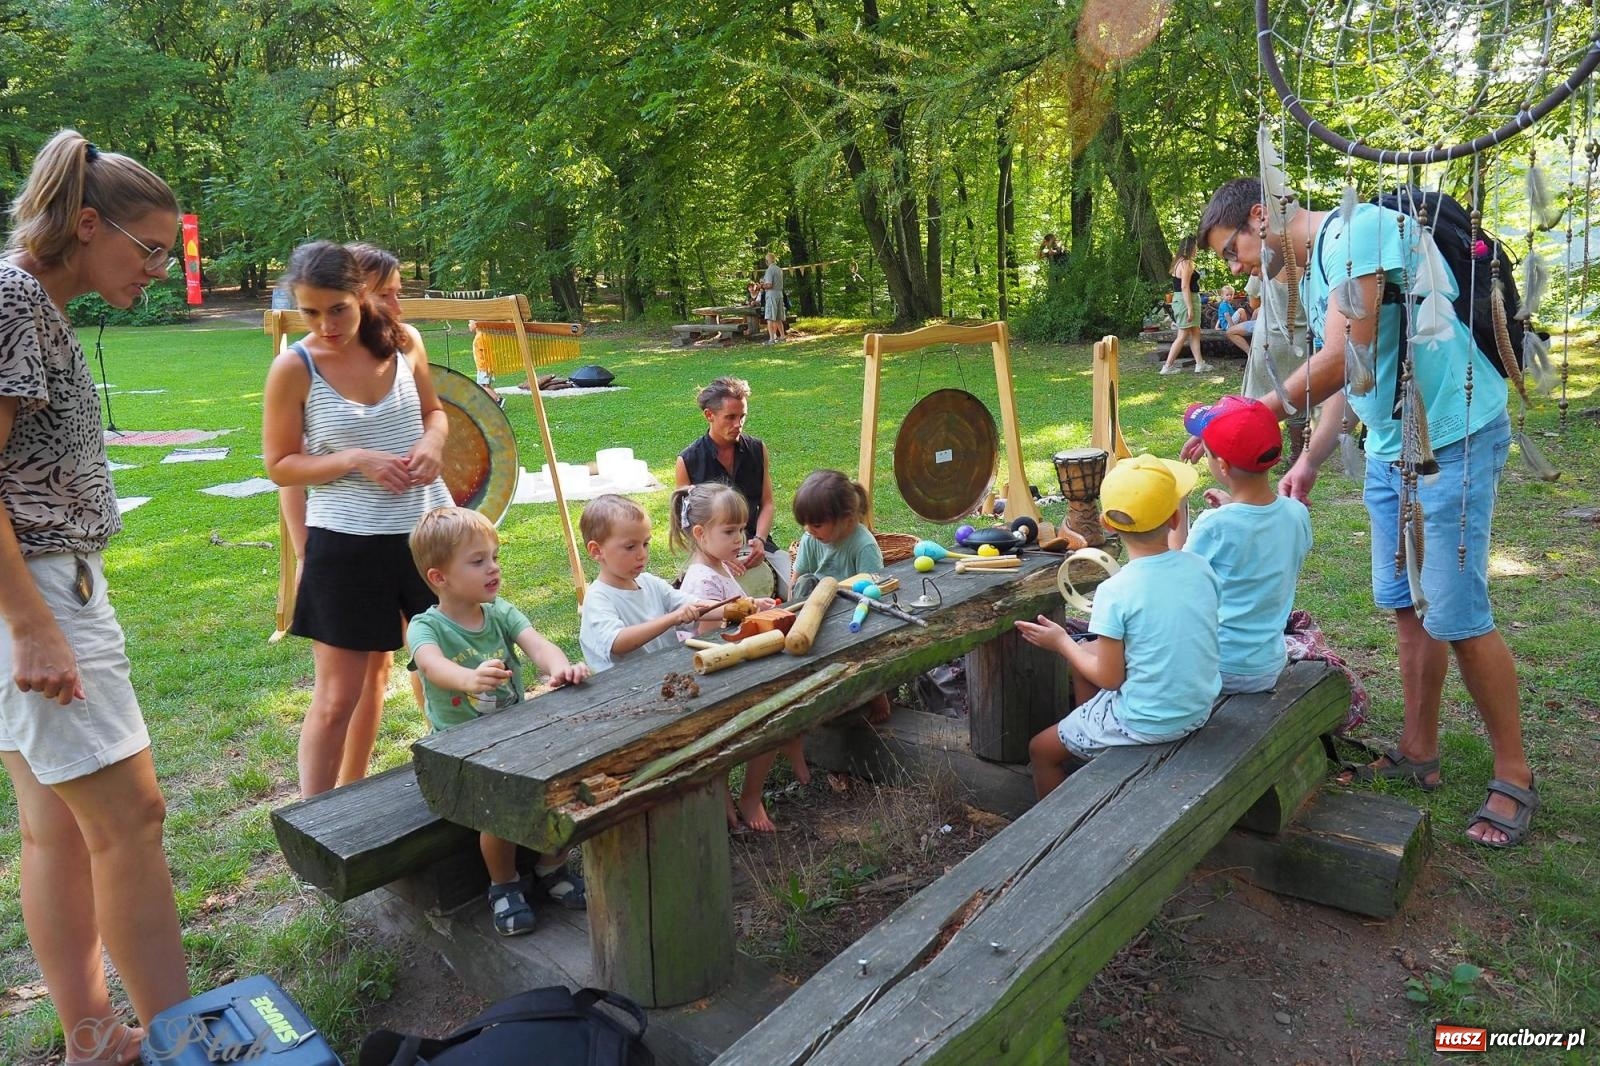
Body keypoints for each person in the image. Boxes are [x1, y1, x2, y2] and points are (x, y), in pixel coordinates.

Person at [1195, 176, 1535, 847]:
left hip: (1453, 438)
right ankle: (1418, 751)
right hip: (1390, 449)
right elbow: (1354, 375)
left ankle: (1515, 773)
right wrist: (1311, 459)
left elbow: (1342, 354)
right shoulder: (1324, 263)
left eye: (1231, 250)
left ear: (1260, 218)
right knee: (1409, 605)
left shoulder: (1361, 233)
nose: (1234, 268)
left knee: (1458, 612)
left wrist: (1253, 411)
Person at [0, 129, 189, 1065]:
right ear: (85, 224)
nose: (158, 269)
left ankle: (93, 1039)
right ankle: (183, 1042)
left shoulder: (33, 301)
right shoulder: (13, 298)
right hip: (36, 587)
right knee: (130, 821)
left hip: (34, 588)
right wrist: (34, 627)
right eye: (150, 249)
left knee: (57, 830)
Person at [263, 240, 452, 797]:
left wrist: (436, 441)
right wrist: (354, 459)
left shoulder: (404, 342)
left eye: (337, 308)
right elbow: (279, 466)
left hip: (428, 539)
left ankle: (470, 788)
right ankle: (315, 822)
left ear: (361, 293)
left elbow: (433, 413)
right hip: (345, 546)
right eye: (310, 311)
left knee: (452, 674)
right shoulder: (293, 368)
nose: (325, 324)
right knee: (337, 698)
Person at [406, 507, 589, 936]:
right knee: (497, 808)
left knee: (569, 781)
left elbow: (538, 645)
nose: (493, 568)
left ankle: (551, 866)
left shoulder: (500, 612)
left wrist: (559, 668)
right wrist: (469, 679)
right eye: (477, 561)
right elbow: (432, 667)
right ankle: (504, 885)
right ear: (439, 578)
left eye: (494, 556)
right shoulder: (425, 627)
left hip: (513, 732)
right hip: (459, 749)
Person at [1015, 454, 1220, 799]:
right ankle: (1090, 743)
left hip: (1148, 722)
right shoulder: (1200, 568)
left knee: (1040, 750)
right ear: (1173, 519)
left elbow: (1111, 679)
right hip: (1196, 708)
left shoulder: (1116, 591)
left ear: (1107, 525)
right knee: (1089, 653)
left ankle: (1058, 834)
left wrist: (1062, 642)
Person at [671, 483, 803, 832]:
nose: (739, 537)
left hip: (731, 662)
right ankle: (747, 794)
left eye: (741, 529)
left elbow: (734, 612)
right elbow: (704, 626)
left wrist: (754, 607)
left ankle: (733, 793)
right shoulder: (700, 579)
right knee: (773, 714)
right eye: (729, 531)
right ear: (700, 533)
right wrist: (746, 612)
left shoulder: (719, 565)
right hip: (712, 677)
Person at [1177, 396, 1311, 693]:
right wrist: (1232, 507)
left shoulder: (1214, 526)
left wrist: (1178, 504)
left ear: (1222, 465)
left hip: (1217, 668)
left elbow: (1177, 580)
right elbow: (1260, 540)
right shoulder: (1296, 513)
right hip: (1267, 665)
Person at [791, 470, 891, 723]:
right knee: (804, 583)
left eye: (816, 524)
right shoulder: (810, 538)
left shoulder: (863, 545)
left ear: (846, 519)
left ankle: (876, 693)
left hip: (853, 609)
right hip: (817, 609)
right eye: (805, 524)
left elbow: (874, 588)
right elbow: (799, 577)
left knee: (863, 646)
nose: (808, 530)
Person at [675, 376, 788, 597]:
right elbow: (687, 523)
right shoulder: (688, 460)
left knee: (796, 586)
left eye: (742, 416)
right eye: (730, 417)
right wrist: (719, 555)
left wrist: (760, 541)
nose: (738, 424)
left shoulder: (757, 449)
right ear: (709, 415)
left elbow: (767, 504)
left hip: (758, 542)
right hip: (711, 550)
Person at [578, 494, 712, 671]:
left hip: (666, 675)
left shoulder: (649, 583)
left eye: (645, 543)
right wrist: (673, 618)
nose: (642, 554)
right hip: (627, 690)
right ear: (596, 551)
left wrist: (744, 605)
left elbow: (694, 605)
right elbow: (617, 642)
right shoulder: (598, 598)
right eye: (630, 547)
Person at [1161, 236, 1212, 374]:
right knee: (1183, 334)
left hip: (1184, 299)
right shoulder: (1186, 263)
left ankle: (1199, 363)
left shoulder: (1178, 262)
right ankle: (1167, 366)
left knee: (1195, 332)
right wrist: (1189, 307)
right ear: (1190, 247)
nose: (1196, 250)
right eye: (1195, 247)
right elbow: (1184, 287)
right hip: (1186, 300)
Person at [759, 251, 786, 343]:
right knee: (778, 318)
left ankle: (771, 339)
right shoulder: (779, 269)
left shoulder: (769, 270)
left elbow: (769, 285)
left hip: (771, 296)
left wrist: (761, 286)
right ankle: (782, 337)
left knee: (770, 318)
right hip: (779, 295)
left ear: (767, 261)